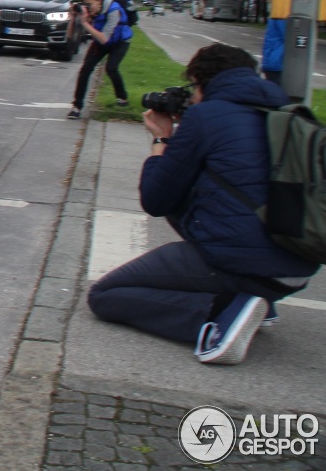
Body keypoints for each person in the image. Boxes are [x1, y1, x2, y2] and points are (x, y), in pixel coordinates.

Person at [87, 44, 318, 365]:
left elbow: (155, 199)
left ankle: (221, 314)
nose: (192, 96)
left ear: (202, 81)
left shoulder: (206, 116)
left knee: (104, 296)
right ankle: (261, 301)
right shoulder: (289, 114)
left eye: (193, 88)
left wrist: (162, 140)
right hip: (298, 267)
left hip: (236, 261)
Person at [68, 0, 132, 118]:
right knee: (85, 69)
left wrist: (85, 23)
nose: (88, 7)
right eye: (85, 4)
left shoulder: (114, 10)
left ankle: (122, 98)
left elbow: (104, 39)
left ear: (99, 1)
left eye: (90, 4)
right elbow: (70, 36)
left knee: (111, 68)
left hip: (120, 41)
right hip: (101, 40)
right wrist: (74, 17)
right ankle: (77, 106)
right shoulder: (92, 10)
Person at [261, 0, 290, 85]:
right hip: (273, 65)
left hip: (277, 66)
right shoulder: (276, 12)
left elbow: (287, 38)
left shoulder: (282, 14)